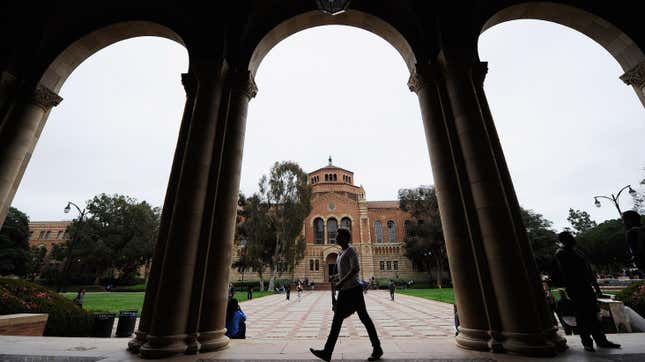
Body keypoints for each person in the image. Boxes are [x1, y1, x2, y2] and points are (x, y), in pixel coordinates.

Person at [310, 228, 382, 361]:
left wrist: (341, 281)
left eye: (338, 236)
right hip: (345, 291)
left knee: (362, 319)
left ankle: (377, 348)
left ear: (345, 238)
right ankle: (328, 351)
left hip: (354, 290)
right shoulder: (340, 253)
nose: (336, 238)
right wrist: (335, 277)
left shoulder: (351, 251)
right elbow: (345, 271)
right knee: (340, 320)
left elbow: (355, 269)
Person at [554, 231, 620, 352]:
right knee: (582, 316)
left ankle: (601, 340)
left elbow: (588, 270)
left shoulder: (576, 251)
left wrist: (596, 287)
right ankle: (587, 342)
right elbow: (568, 273)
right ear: (564, 240)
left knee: (593, 314)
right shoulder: (562, 253)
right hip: (576, 288)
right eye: (570, 237)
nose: (573, 239)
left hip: (586, 287)